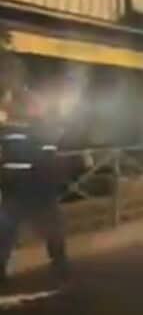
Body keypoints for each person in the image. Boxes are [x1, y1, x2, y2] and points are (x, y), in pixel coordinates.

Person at [0, 95, 69, 286]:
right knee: (52, 228)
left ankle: (1, 270)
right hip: (38, 189)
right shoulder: (44, 131)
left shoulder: (9, 131)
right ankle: (60, 266)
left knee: (6, 232)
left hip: (14, 189)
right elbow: (50, 158)